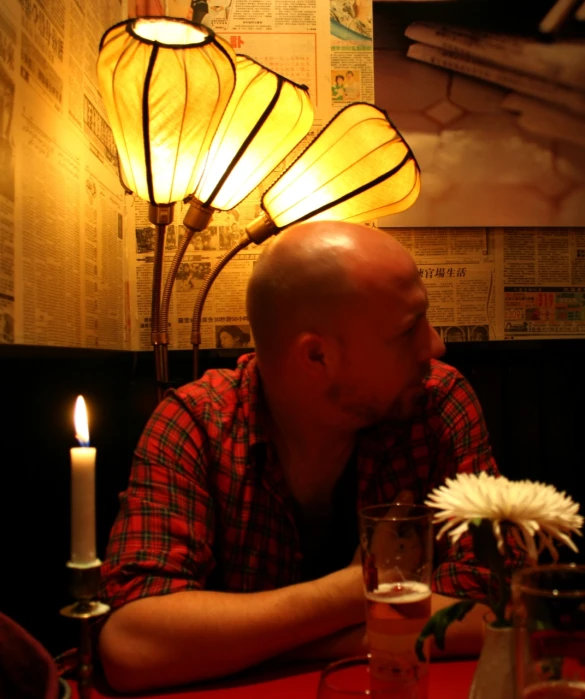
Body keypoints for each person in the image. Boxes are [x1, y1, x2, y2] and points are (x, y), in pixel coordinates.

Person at [98, 221, 521, 693]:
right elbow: (132, 644)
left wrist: (247, 641)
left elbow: (495, 607)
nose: (435, 345)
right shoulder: (196, 424)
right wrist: (359, 585)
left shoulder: (437, 403)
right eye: (408, 329)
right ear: (317, 356)